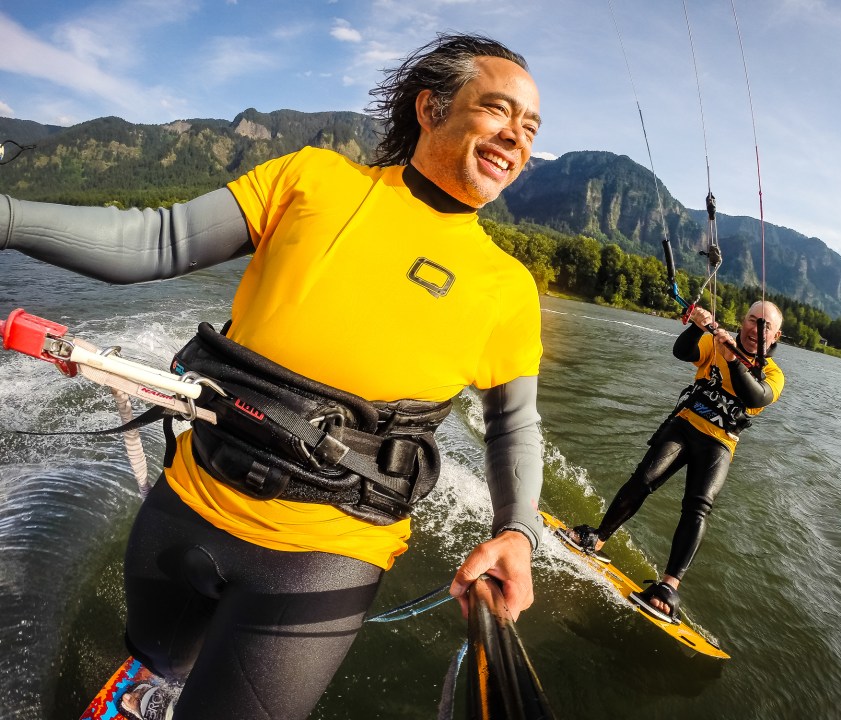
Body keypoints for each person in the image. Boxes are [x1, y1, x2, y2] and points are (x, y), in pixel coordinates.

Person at [0, 33, 545, 720]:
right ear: (431, 108)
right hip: (184, 512)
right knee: (157, 657)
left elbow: (512, 424)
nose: (515, 137)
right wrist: (9, 218)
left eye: (529, 127)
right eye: (498, 111)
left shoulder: (507, 288)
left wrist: (516, 532)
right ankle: (157, 688)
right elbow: (158, 239)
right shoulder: (314, 178)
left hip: (320, 561)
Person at [564, 302, 785, 621]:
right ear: (743, 320)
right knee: (643, 479)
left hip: (720, 443)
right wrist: (697, 326)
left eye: (766, 326)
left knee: (698, 507)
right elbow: (682, 352)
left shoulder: (773, 375)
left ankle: (668, 586)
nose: (756, 329)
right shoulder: (716, 342)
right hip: (684, 425)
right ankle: (597, 539)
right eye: (753, 320)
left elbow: (754, 397)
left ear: (775, 336)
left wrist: (733, 360)